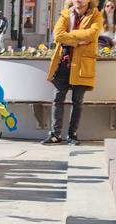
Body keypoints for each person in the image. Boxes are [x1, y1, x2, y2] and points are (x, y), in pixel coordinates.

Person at [43, 0, 102, 146]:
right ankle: (56, 134)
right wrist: (77, 41)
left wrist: (69, 36)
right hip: (63, 61)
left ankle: (72, 135)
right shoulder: (65, 14)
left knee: (78, 101)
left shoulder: (96, 16)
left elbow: (92, 34)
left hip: (82, 64)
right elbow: (57, 35)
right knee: (58, 98)